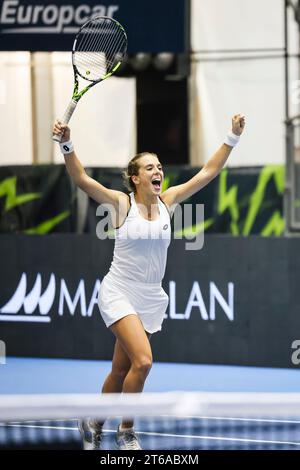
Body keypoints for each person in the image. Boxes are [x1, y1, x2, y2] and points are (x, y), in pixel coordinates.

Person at [52, 114, 246, 450]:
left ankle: (93, 421)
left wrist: (232, 135)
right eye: (149, 168)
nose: (158, 171)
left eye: (159, 167)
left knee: (120, 370)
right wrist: (67, 143)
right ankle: (127, 430)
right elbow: (82, 179)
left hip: (151, 298)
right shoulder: (120, 203)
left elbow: (208, 172)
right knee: (143, 361)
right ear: (135, 178)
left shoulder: (168, 201)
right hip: (119, 292)